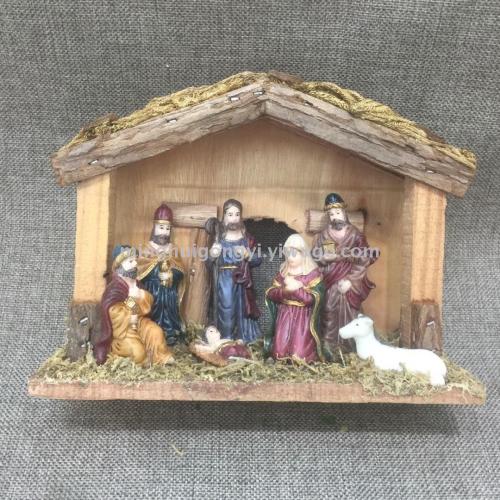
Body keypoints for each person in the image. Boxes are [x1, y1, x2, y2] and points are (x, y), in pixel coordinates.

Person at [312, 193, 378, 359]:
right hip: (331, 280)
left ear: (344, 213)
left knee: (350, 312)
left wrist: (350, 280)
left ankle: (350, 348)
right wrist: (325, 257)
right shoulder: (325, 235)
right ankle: (329, 346)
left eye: (338, 213)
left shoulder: (355, 235)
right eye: (331, 214)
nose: (335, 217)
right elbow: (319, 256)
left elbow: (365, 258)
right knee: (329, 310)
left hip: (350, 281)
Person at [93, 245, 174, 366]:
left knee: (156, 332)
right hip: (123, 329)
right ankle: (123, 357)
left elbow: (146, 305)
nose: (135, 264)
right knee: (137, 353)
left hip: (139, 322)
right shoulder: (115, 287)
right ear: (119, 265)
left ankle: (160, 357)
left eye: (135, 260)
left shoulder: (136, 283)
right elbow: (111, 310)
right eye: (130, 261)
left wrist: (141, 295)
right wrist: (130, 316)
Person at [208, 199, 262, 342]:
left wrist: (247, 254)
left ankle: (242, 340)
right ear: (224, 216)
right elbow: (208, 264)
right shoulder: (219, 239)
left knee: (242, 310)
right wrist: (212, 255)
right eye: (230, 214)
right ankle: (226, 339)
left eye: (237, 214)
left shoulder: (247, 239)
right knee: (227, 309)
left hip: (243, 280)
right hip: (225, 280)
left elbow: (258, 260)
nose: (234, 218)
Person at [265, 234, 324, 362]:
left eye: (294, 254)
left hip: (303, 317)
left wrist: (297, 290)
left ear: (303, 254)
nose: (290, 258)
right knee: (279, 353)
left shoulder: (312, 275)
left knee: (299, 355)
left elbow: (313, 299)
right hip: (285, 315)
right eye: (288, 254)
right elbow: (271, 293)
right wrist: (285, 291)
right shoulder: (283, 273)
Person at [137, 203, 185, 345]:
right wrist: (157, 272)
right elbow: (140, 271)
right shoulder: (146, 248)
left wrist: (171, 274)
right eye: (161, 228)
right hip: (152, 289)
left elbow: (181, 270)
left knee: (170, 308)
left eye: (167, 229)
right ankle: (152, 332)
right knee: (154, 307)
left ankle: (170, 332)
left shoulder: (173, 249)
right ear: (154, 227)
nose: (164, 232)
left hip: (170, 290)